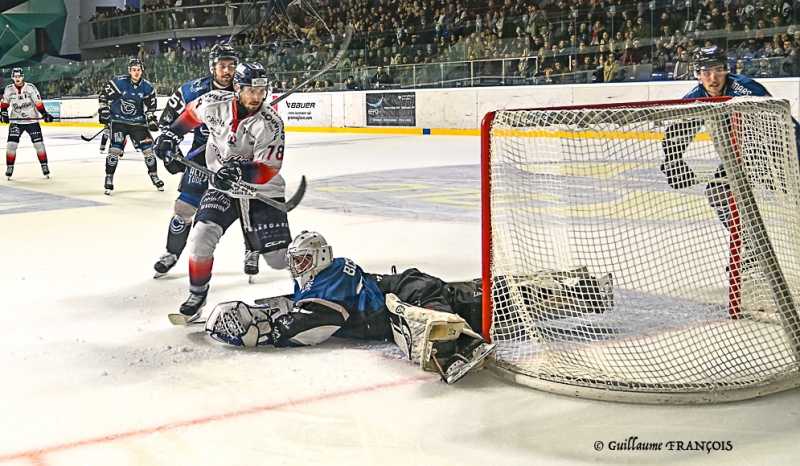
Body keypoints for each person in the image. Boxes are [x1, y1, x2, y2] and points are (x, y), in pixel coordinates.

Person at [203, 231, 501, 384]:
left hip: (407, 291)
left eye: (303, 260)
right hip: (401, 294)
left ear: (320, 257)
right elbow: (306, 306)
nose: (297, 267)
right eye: (295, 261)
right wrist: (268, 311)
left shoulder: (331, 278)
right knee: (485, 294)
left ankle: (459, 344)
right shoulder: (324, 275)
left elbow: (313, 324)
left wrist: (266, 331)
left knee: (492, 301)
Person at [153, 62, 291, 324]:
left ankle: (312, 290)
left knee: (277, 257)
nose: (258, 97)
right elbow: (191, 115)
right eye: (251, 91)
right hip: (221, 186)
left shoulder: (271, 123)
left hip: (262, 189)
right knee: (201, 236)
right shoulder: (214, 102)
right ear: (237, 88)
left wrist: (240, 171)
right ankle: (197, 296)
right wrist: (171, 134)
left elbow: (268, 168)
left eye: (262, 91)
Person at [152, 44, 263, 280]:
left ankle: (252, 250)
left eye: (231, 65)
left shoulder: (245, 89)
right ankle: (171, 253)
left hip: (237, 155)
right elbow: (168, 124)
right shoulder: (193, 90)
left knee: (246, 206)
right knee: (184, 206)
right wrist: (168, 143)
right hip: (202, 155)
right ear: (212, 66)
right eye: (222, 65)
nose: (227, 70)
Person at [98, 58, 162, 195]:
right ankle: (109, 178)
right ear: (129, 71)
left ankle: (154, 175)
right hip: (119, 122)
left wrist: (151, 120)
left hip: (138, 123)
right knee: (114, 151)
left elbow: (150, 108)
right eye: (134, 70)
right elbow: (103, 96)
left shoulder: (147, 87)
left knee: (148, 151)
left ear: (142, 71)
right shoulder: (119, 83)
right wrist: (103, 110)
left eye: (138, 70)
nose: (136, 72)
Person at [1, 68, 54, 179]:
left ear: (22, 77)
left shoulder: (30, 88)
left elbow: (38, 103)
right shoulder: (9, 89)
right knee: (11, 145)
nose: (17, 79)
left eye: (19, 76)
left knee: (39, 144)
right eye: (15, 77)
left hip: (32, 120)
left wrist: (45, 114)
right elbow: (4, 104)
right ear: (12, 77)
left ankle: (44, 165)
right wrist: (4, 114)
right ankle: (10, 167)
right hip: (16, 121)